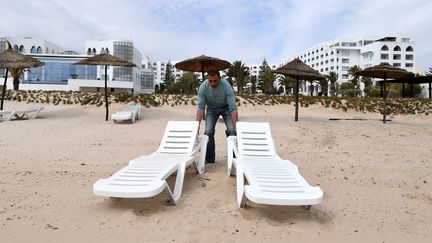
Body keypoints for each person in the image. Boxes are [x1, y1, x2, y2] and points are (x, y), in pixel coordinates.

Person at [195, 69, 238, 163]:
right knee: (208, 132)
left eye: (215, 81)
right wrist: (196, 127)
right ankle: (210, 159)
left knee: (232, 130)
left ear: (220, 78)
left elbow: (233, 108)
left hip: (226, 108)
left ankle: (235, 157)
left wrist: (236, 127)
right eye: (210, 81)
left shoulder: (226, 86)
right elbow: (201, 108)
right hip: (211, 109)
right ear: (207, 79)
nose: (212, 83)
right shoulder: (203, 87)